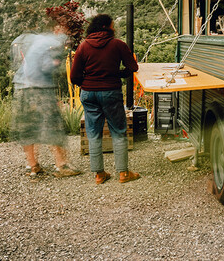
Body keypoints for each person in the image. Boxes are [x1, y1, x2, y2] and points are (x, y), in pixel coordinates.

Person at [69, 14, 140, 184]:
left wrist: (86, 83)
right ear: (106, 27)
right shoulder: (118, 45)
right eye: (112, 25)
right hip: (110, 92)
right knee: (118, 131)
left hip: (89, 93)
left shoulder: (83, 46)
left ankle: (99, 175)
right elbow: (133, 67)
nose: (114, 28)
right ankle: (123, 173)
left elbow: (74, 77)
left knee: (93, 133)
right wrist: (117, 74)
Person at [10, 23, 82, 179]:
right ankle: (61, 165)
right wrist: (56, 64)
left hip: (21, 87)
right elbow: (46, 67)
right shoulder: (53, 43)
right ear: (57, 31)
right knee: (52, 125)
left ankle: (33, 166)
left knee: (27, 128)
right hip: (39, 89)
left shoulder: (27, 40)